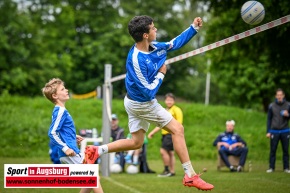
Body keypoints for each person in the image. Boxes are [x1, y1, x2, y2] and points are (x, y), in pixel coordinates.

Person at [84, 15, 214, 190]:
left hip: (133, 102)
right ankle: (190, 175)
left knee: (137, 142)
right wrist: (161, 74)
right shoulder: (135, 60)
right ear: (145, 35)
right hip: (142, 103)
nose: (156, 30)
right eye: (153, 28)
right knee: (178, 129)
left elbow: (173, 44)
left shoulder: (154, 47)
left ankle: (96, 151)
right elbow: (148, 92)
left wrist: (193, 28)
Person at [42, 78, 104, 193]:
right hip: (70, 153)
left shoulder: (61, 110)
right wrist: (66, 148)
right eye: (62, 89)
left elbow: (61, 131)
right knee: (93, 177)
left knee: (91, 179)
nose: (66, 90)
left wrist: (72, 137)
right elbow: (52, 132)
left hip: (70, 152)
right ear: (55, 96)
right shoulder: (60, 111)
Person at [148, 93, 182, 177]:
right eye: (167, 100)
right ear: (165, 101)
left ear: (174, 101)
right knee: (170, 153)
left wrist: (175, 132)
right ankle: (172, 171)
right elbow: (161, 124)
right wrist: (152, 132)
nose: (169, 102)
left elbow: (179, 124)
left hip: (170, 134)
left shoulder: (176, 110)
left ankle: (167, 170)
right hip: (165, 134)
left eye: (171, 100)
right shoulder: (165, 110)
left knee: (163, 151)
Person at [266, 88, 290, 173]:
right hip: (274, 131)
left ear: (283, 95)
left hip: (285, 130)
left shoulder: (288, 105)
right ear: (276, 96)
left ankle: (286, 168)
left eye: (281, 95)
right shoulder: (271, 106)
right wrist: (268, 131)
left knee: (286, 150)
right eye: (278, 95)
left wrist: (288, 115)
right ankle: (271, 167)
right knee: (273, 150)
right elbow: (269, 119)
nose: (279, 97)